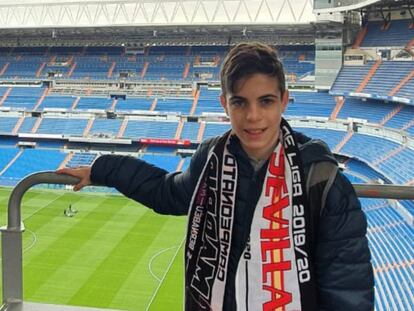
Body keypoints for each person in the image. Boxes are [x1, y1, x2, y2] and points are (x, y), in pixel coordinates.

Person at [57, 42, 374, 311]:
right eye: (240, 102)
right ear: (225, 104)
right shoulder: (211, 159)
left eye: (265, 101)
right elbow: (167, 193)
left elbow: (346, 287)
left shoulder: (320, 179)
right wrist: (102, 169)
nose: (253, 116)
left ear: (284, 101)